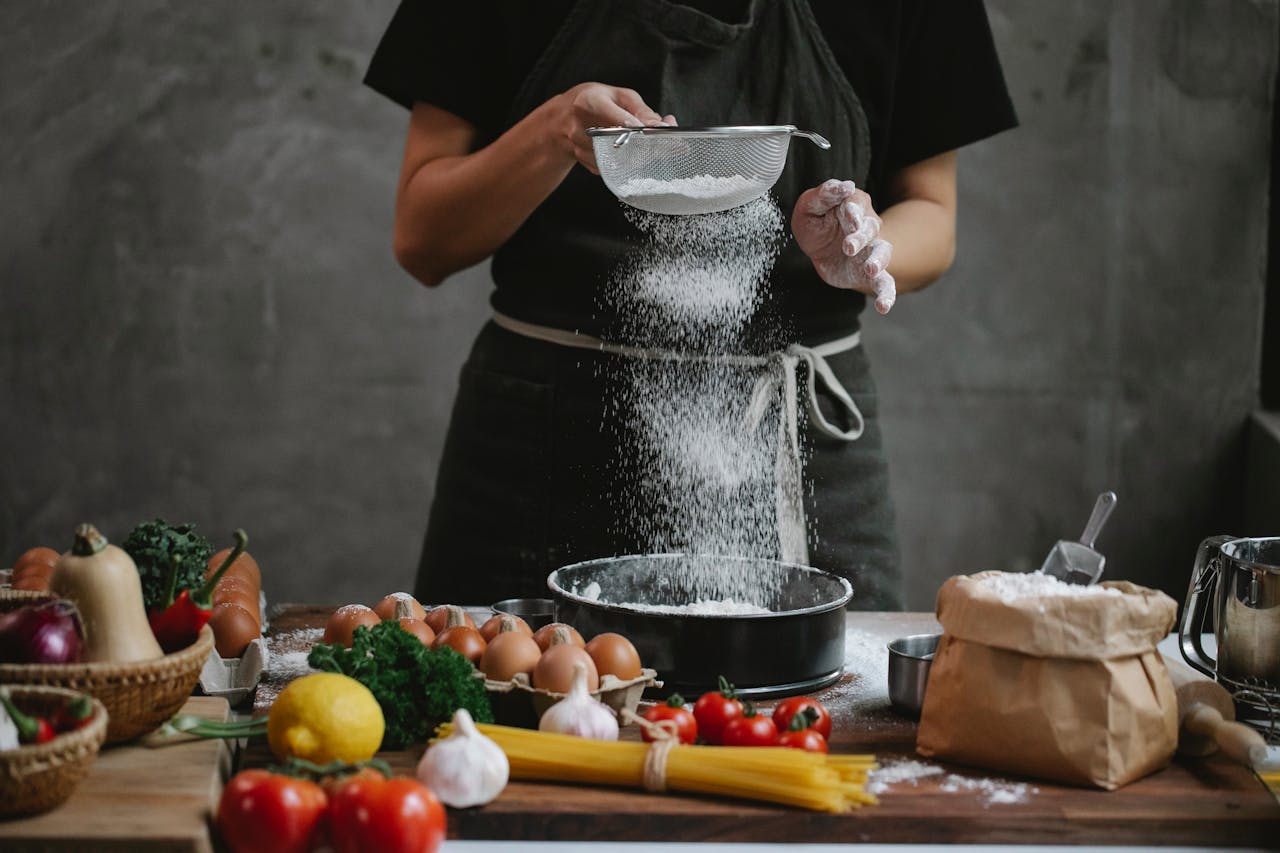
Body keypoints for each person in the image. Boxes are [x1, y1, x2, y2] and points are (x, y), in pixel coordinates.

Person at [364, 0, 1017, 610]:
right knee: (511, 718)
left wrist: (865, 247)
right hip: (544, 440)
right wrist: (554, 134)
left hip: (801, 439)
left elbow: (933, 213)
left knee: (829, 719)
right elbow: (423, 238)